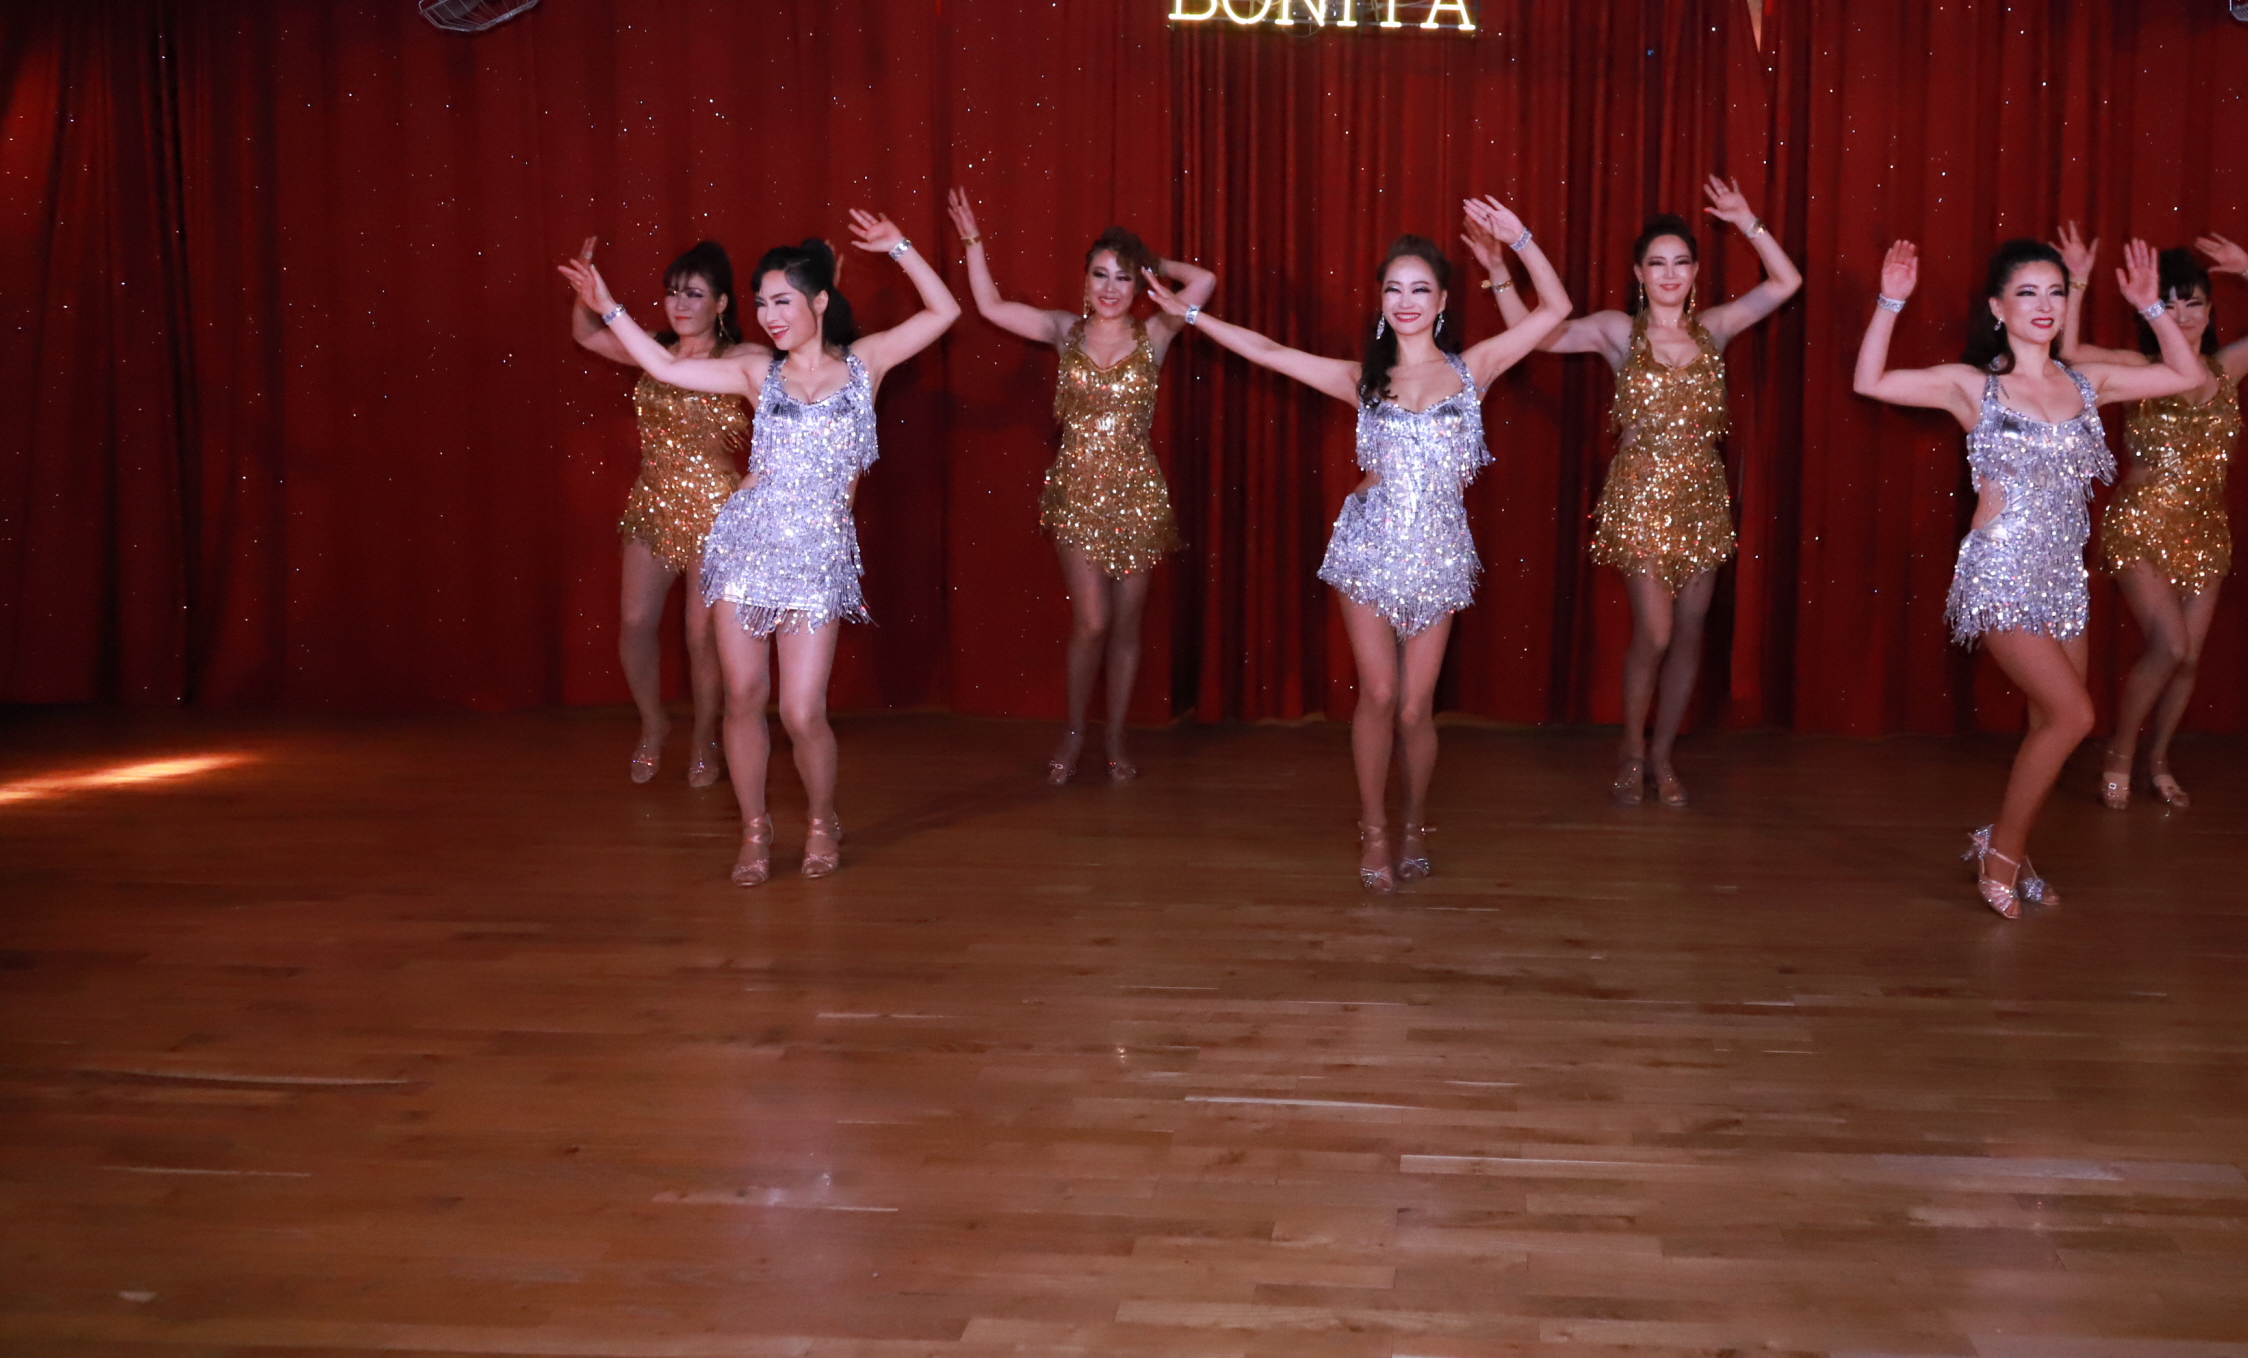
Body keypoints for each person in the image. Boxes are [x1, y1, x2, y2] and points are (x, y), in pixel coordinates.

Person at [1143, 200, 1571, 891]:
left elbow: (1556, 309)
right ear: (1381, 301)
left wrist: (1519, 238)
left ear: (1442, 302)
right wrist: (1189, 315)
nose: (1406, 301)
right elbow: (1269, 352)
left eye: (1420, 289)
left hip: (1439, 554)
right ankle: (1373, 829)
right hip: (1367, 548)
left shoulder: (1474, 369)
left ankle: (1413, 824)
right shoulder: (1362, 380)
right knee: (1378, 692)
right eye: (1394, 289)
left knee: (1415, 708)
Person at [558, 211, 959, 886]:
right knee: (744, 695)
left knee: (802, 711)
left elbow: (945, 311)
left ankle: (821, 817)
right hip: (744, 545)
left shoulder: (864, 364)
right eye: (762, 303)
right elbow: (661, 362)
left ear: (819, 301)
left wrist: (899, 247)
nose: (770, 316)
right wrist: (611, 306)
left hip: (817, 558)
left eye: (782, 301)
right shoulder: (755, 372)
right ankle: (754, 828)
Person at [1851, 235, 2205, 918]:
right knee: (2075, 714)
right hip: (2001, 573)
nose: (2044, 304)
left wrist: (2151, 307)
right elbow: (1872, 380)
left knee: (2053, 724)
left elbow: (2184, 373)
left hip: (2063, 580)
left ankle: (2008, 843)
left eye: (2055, 292)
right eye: (2027, 292)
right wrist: (1890, 301)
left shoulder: (2087, 381)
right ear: (1998, 307)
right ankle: (2003, 855)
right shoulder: (1974, 387)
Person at [1474, 176, 1799, 807]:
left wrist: (1747, 221)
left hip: (1702, 497)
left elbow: (1786, 283)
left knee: (1689, 633)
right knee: (1654, 631)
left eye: (1681, 262)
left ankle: (1661, 757)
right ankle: (1629, 750)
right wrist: (1499, 271)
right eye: (1657, 263)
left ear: (1695, 271)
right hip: (1639, 494)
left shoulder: (1715, 328)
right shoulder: (1617, 330)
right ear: (1639, 273)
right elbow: (1539, 335)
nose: (1670, 273)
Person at [945, 191, 1216, 785]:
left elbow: (1204, 281)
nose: (1111, 287)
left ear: (1138, 284)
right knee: (1092, 621)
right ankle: (1073, 732)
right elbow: (990, 306)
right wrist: (972, 242)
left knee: (1126, 626)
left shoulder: (1157, 332)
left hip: (1139, 496)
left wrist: (1152, 264)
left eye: (1124, 276)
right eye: (1101, 274)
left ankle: (1115, 735)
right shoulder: (1064, 330)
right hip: (1075, 494)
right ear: (1085, 279)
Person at [2056, 224, 2248, 809]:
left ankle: (2159, 760)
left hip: (2205, 529)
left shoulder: (2228, 368)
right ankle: (2120, 754)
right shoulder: (2139, 368)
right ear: (2150, 312)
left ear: (2210, 309)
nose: (2182, 314)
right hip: (2140, 524)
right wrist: (2077, 282)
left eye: (2192, 303)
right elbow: (2069, 355)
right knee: (2170, 645)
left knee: (2189, 659)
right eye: (2168, 304)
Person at [566, 239, 764, 787]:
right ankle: (653, 724)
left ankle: (704, 737)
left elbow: (798, 372)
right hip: (653, 501)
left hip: (718, 510)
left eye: (694, 294)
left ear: (720, 303)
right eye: (672, 292)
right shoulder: (652, 349)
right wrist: (586, 292)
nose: (679, 304)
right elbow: (586, 335)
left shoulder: (740, 359)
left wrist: (819, 305)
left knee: (702, 636)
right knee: (635, 622)